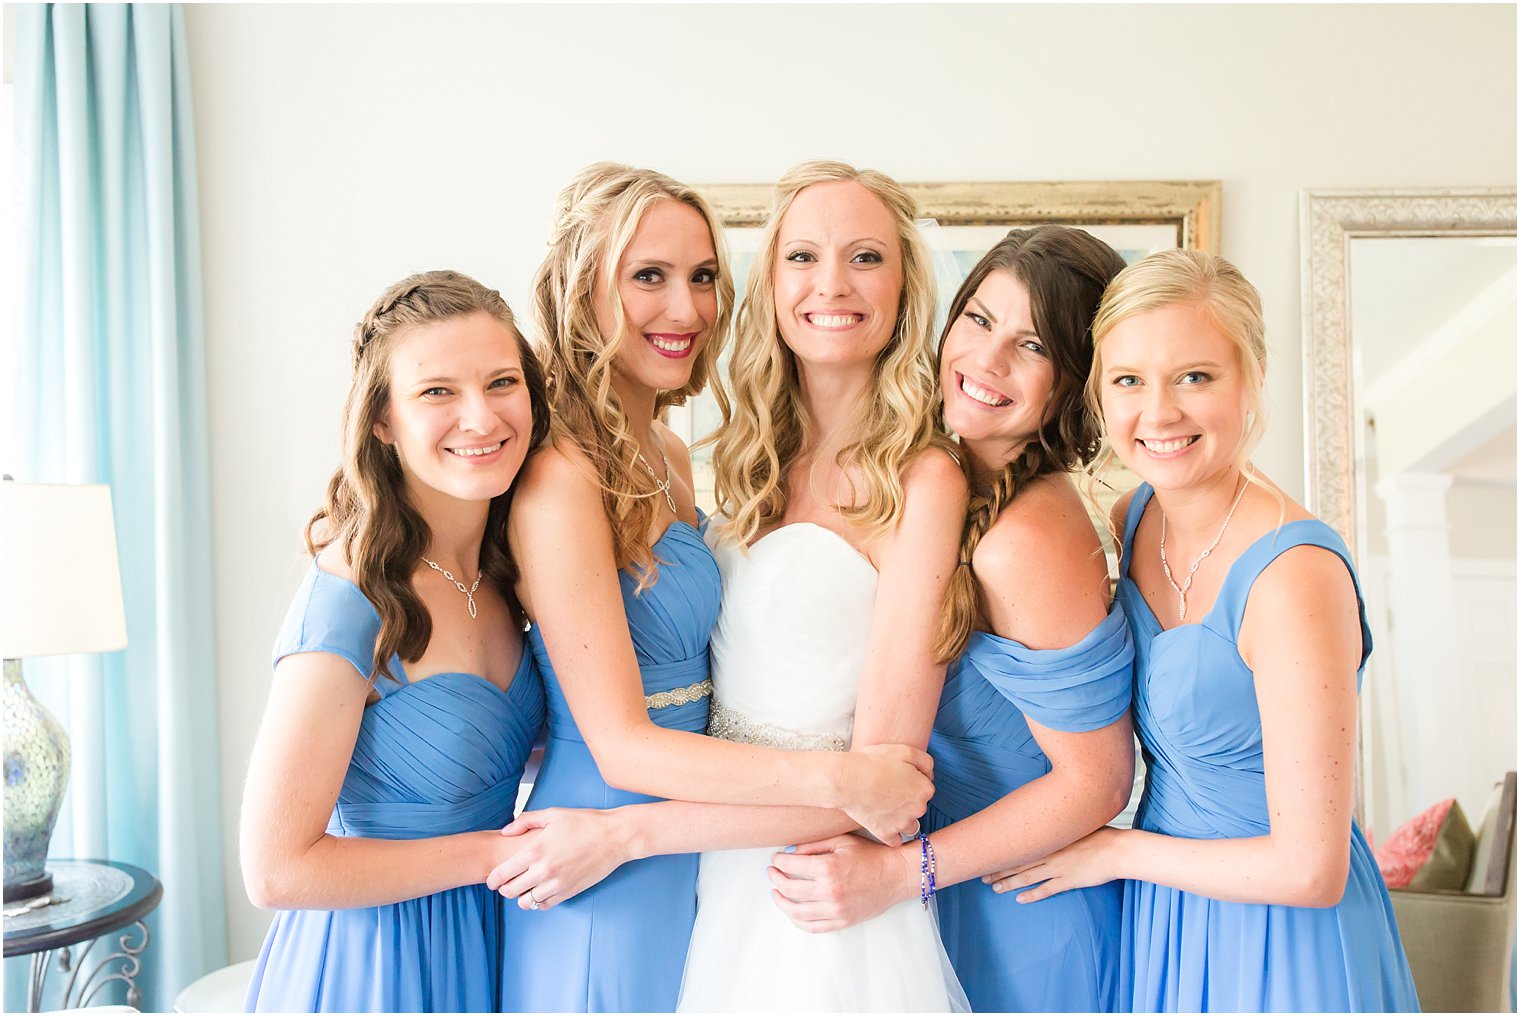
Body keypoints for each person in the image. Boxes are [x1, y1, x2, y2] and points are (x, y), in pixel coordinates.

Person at [493, 163, 936, 1014]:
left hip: (703, 844)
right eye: (648, 277)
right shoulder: (558, 476)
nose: (688, 310)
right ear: (584, 289)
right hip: (598, 843)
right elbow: (620, 742)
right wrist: (842, 781)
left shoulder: (669, 454)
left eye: (703, 278)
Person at [988, 249, 1420, 1012]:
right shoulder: (1134, 518)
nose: (1158, 414)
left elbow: (1308, 870)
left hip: (1284, 941)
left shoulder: (1293, 576)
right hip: (1169, 919)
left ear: (1249, 380)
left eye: (1194, 376)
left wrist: (1119, 851)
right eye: (1129, 381)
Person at [766, 226, 1139, 1012]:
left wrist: (903, 873)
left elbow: (1097, 781)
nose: (987, 361)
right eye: (978, 321)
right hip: (938, 897)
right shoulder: (936, 486)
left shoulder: (1026, 539)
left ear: (1075, 381)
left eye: (1031, 345)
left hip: (1022, 919)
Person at [654, 159, 968, 1011]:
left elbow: (884, 782)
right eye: (803, 257)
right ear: (769, 283)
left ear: (905, 288)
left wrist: (624, 835)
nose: (832, 283)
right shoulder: (746, 462)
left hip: (824, 887)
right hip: (716, 872)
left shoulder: (924, 479)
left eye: (865, 257)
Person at [240, 271, 551, 1012]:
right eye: (437, 391)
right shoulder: (351, 596)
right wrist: (497, 855)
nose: (481, 417)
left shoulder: (512, 573)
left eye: (502, 382)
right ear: (382, 420)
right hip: (374, 965)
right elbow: (276, 869)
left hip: (492, 939)